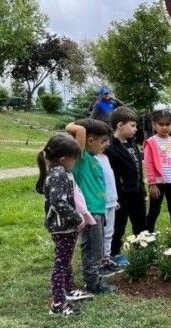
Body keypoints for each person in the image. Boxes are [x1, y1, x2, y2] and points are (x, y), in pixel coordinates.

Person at [36, 134, 92, 316]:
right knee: (61, 263)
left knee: (65, 260)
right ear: (63, 159)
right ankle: (58, 303)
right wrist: (78, 218)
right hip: (63, 227)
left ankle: (69, 289)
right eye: (74, 159)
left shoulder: (60, 172)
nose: (75, 163)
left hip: (66, 227)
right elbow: (59, 203)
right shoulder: (58, 175)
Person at [65, 119, 118, 294]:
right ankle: (93, 283)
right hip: (90, 213)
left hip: (98, 211)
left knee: (97, 247)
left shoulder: (94, 159)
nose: (107, 144)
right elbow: (79, 130)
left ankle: (93, 279)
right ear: (90, 141)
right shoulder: (81, 157)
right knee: (93, 250)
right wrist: (75, 126)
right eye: (103, 141)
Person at [105, 107, 147, 265]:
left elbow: (138, 170)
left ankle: (142, 249)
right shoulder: (110, 149)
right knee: (119, 225)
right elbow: (113, 177)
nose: (135, 129)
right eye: (133, 125)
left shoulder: (132, 144)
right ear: (120, 125)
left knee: (141, 223)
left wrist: (142, 189)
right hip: (122, 196)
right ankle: (115, 252)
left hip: (137, 192)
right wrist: (115, 196)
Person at [144, 110, 171, 231]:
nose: (164, 127)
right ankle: (148, 236)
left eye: (168, 124)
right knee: (154, 210)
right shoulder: (151, 142)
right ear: (154, 125)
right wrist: (152, 184)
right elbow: (149, 163)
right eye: (161, 124)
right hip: (157, 183)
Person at [94, 148, 124, 277]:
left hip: (111, 201)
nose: (106, 145)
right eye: (103, 141)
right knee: (101, 235)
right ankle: (99, 264)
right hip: (101, 203)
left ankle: (106, 260)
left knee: (109, 233)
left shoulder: (105, 158)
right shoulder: (91, 159)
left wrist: (114, 199)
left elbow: (110, 181)